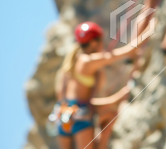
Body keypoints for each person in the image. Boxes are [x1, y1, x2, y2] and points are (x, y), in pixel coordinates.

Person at [54, 21, 150, 149]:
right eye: (100, 40)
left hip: (63, 115)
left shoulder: (71, 63)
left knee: (110, 116)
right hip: (81, 116)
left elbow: (64, 96)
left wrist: (115, 98)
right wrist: (150, 29)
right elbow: (129, 51)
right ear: (94, 42)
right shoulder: (87, 61)